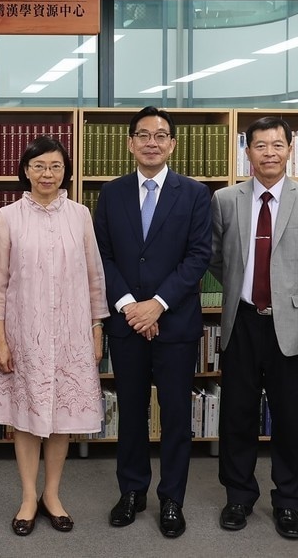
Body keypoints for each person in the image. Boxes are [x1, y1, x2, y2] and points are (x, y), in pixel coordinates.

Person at [209, 116, 298, 540]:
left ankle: (287, 503)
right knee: (237, 416)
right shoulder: (226, 200)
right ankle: (238, 497)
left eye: (277, 145)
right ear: (248, 152)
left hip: (293, 327)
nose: (269, 153)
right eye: (260, 146)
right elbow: (217, 260)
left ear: (289, 149)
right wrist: (241, 289)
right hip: (242, 321)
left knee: (290, 419)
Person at [92, 106, 212, 538]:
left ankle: (172, 499)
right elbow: (102, 255)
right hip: (127, 324)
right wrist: (129, 306)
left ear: (172, 145)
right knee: (132, 412)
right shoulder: (112, 192)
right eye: (143, 135)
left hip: (174, 323)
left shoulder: (196, 194)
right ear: (130, 143)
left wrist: (157, 304)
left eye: (161, 136)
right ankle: (132, 491)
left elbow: (199, 256)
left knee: (177, 415)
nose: (151, 142)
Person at [0, 136, 109, 536]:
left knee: (61, 419)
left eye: (55, 166)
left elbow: (95, 278)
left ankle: (52, 495)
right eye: (38, 165)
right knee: (25, 418)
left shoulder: (80, 215)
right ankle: (27, 496)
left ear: (65, 172)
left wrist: (97, 328)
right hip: (24, 334)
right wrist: (1, 339)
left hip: (73, 332)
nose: (47, 174)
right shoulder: (7, 216)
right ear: (25, 170)